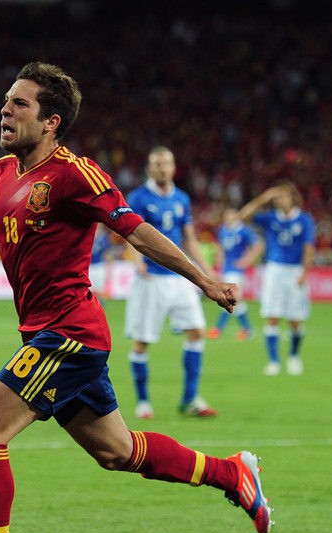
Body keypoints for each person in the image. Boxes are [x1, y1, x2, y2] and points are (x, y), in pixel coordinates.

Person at [0, 62, 274, 533]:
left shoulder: (76, 174)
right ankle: (232, 472)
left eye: (20, 104)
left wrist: (203, 279)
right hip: (51, 334)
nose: (5, 110)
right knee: (118, 452)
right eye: (6, 100)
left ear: (51, 121)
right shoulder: (1, 172)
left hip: (70, 335)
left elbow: (136, 229)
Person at [124, 146, 217, 420]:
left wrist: (207, 272)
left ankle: (190, 399)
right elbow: (129, 231)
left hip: (179, 278)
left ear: (174, 167)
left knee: (197, 332)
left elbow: (189, 237)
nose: (163, 168)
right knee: (142, 342)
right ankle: (143, 402)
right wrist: (136, 260)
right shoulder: (139, 197)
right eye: (157, 164)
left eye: (167, 163)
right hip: (151, 279)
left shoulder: (181, 198)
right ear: (149, 168)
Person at [236, 182, 315, 376]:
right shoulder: (270, 218)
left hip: (295, 270)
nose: (278, 200)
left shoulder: (304, 220)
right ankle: (273, 361)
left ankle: (294, 356)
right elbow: (241, 217)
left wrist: (305, 271)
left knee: (295, 319)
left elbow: (309, 247)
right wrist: (263, 198)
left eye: (282, 196)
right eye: (277, 197)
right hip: (274, 270)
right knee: (272, 316)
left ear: (292, 198)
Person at [208, 207, 263, 341]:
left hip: (237, 271)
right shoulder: (222, 230)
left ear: (236, 217)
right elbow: (219, 248)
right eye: (227, 216)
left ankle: (217, 329)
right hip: (226, 269)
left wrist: (247, 260)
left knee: (229, 298)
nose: (228, 219)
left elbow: (259, 244)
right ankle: (247, 329)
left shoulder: (244, 231)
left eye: (231, 216)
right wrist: (219, 266)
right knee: (237, 301)